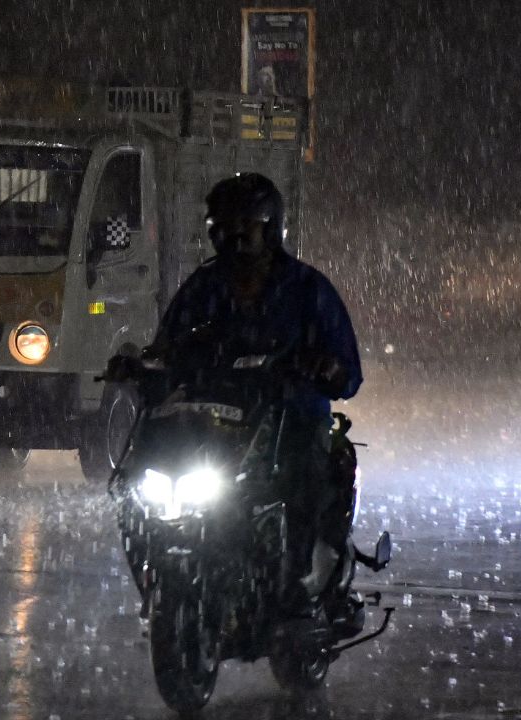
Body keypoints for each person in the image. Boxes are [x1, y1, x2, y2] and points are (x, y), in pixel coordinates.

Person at [135, 172, 365, 630]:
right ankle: (160, 567)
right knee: (135, 481)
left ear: (270, 227)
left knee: (304, 479)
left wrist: (326, 368)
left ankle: (298, 586)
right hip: (215, 418)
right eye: (224, 227)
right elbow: (166, 345)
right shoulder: (203, 287)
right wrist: (140, 366)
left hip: (289, 416)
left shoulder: (307, 289)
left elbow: (348, 373)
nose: (235, 238)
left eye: (246, 226)